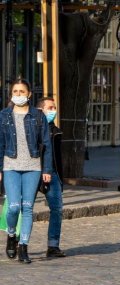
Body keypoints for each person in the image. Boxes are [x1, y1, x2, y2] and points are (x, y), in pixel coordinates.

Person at [0, 78, 52, 263]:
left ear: (29, 94)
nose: (19, 95)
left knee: (28, 207)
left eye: (22, 92)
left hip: (33, 167)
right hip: (11, 166)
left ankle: (23, 247)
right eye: (16, 92)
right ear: (11, 94)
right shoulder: (4, 115)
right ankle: (12, 235)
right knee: (13, 207)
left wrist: (47, 169)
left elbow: (46, 144)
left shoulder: (38, 116)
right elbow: (0, 143)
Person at [36, 97, 66, 258]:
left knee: (57, 208)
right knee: (23, 208)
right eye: (50, 107)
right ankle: (19, 241)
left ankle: (53, 245)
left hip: (53, 174)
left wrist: (61, 180)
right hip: (32, 172)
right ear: (41, 110)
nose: (53, 111)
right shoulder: (33, 128)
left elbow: (58, 158)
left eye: (54, 107)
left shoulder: (56, 131)